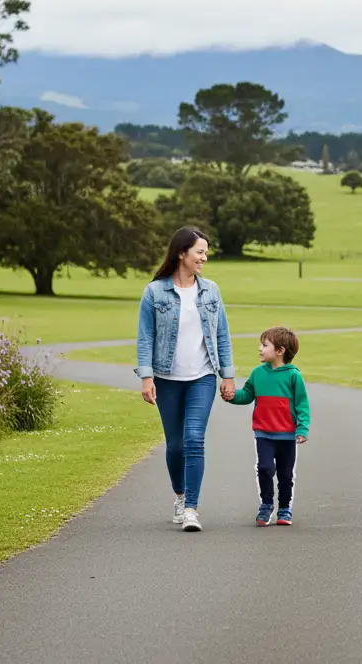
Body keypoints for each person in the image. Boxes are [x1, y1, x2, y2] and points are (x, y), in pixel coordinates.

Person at [136, 226, 236, 532]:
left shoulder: (211, 291)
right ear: (182, 253)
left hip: (202, 377)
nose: (204, 258)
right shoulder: (155, 292)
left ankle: (192, 508)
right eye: (199, 252)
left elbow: (222, 335)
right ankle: (180, 496)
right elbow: (145, 338)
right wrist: (146, 377)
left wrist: (228, 375)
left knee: (194, 439)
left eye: (206, 253)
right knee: (175, 445)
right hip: (166, 379)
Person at [221, 326, 310, 527]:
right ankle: (266, 504)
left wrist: (302, 428)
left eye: (264, 345)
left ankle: (284, 508)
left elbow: (302, 405)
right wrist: (231, 396)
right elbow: (247, 395)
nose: (260, 348)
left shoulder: (293, 376)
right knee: (265, 468)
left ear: (280, 351)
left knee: (286, 474)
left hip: (287, 435)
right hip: (263, 434)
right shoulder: (257, 373)